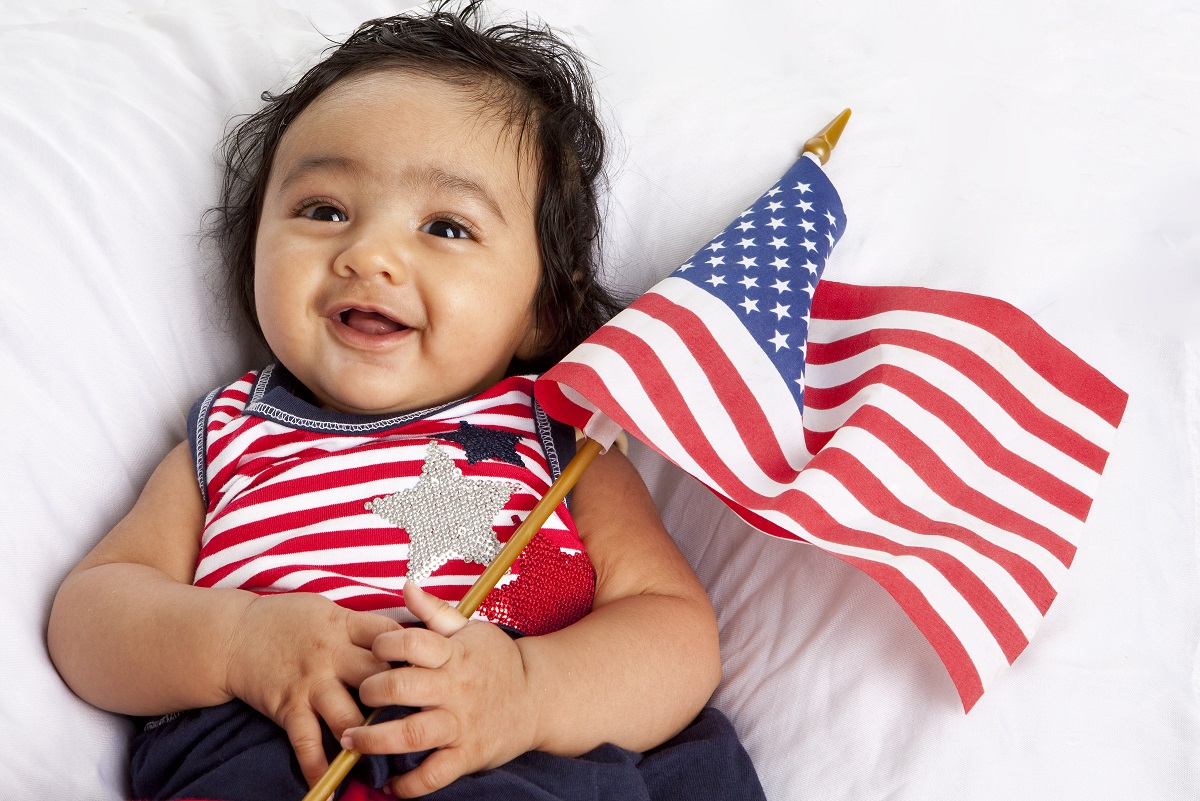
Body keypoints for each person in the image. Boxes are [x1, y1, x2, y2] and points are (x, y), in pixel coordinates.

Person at [47, 3, 765, 799]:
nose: (370, 254)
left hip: (523, 756)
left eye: (447, 227)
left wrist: (527, 689)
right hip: (284, 753)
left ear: (544, 309)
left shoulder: (561, 435)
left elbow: (675, 633)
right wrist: (238, 640)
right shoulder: (231, 434)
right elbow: (90, 617)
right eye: (324, 211)